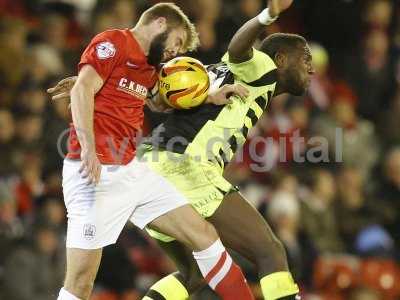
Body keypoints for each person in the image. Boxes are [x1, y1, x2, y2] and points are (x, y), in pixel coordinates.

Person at [50, 1, 311, 298]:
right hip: (139, 167)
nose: (175, 52)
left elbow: (159, 100)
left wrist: (209, 97)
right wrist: (268, 15)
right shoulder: (115, 42)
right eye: (176, 42)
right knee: (269, 250)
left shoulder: (153, 66)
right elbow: (239, 48)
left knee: (199, 259)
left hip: (141, 166)